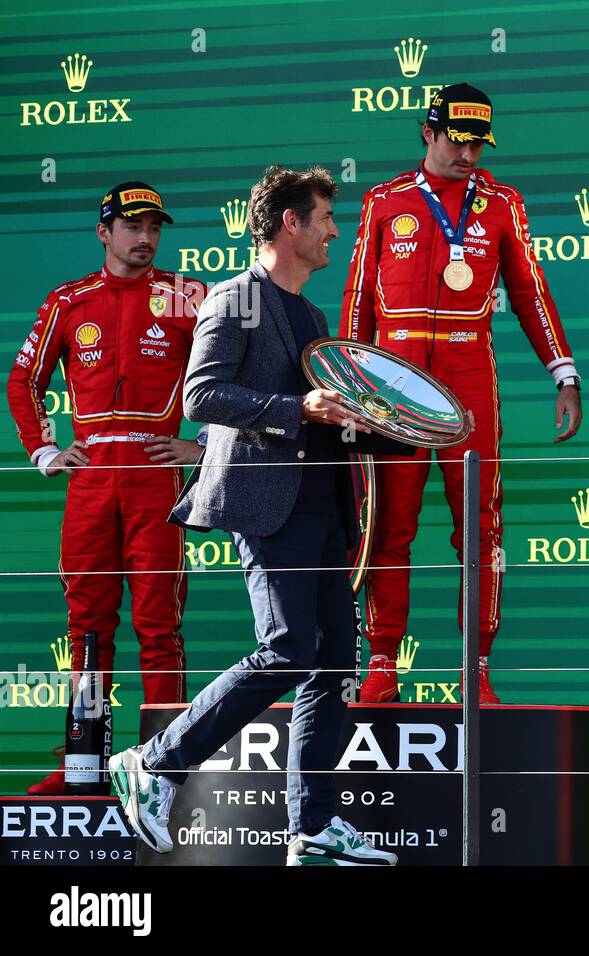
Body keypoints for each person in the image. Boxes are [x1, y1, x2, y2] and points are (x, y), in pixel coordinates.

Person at [108, 166, 396, 865]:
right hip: (267, 504)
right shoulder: (235, 298)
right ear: (290, 224)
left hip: (325, 506)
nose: (335, 232)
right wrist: (296, 409)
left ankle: (313, 827)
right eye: (325, 218)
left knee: (333, 663)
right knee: (288, 649)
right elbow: (202, 396)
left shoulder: (313, 317)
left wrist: (379, 424)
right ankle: (155, 763)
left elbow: (319, 417)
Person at [341, 82, 581, 705]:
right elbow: (358, 300)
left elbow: (530, 292)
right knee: (386, 525)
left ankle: (475, 670)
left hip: (468, 373)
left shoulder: (502, 203)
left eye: (478, 144)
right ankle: (382, 664)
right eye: (456, 140)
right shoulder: (383, 200)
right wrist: (347, 388)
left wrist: (563, 374)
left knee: (479, 527)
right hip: (391, 382)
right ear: (428, 132)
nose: (468, 154)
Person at [7, 182, 205, 795]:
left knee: (158, 625)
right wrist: (44, 449)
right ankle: (82, 768)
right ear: (104, 232)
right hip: (91, 477)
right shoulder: (69, 301)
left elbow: (235, 374)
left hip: (155, 474)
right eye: (132, 226)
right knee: (87, 626)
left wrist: (204, 446)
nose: (145, 238)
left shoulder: (187, 297)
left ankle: (163, 774)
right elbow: (23, 380)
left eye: (154, 228)